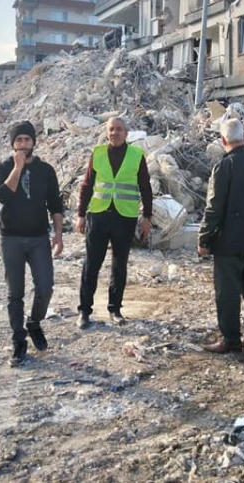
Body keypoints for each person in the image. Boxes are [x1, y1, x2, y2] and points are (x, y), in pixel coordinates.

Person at [0, 120, 64, 367]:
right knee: (16, 294)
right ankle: (19, 341)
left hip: (38, 238)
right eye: (19, 140)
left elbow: (55, 204)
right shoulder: (3, 168)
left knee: (45, 287)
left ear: (34, 142)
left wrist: (58, 234)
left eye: (27, 139)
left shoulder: (46, 171)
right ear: (12, 143)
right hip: (11, 238)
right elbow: (2, 196)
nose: (23, 144)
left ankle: (34, 323)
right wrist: (17, 168)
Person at [197, 118, 244, 353]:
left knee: (228, 293)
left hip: (229, 242)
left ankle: (230, 339)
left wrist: (204, 238)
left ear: (222, 140)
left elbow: (214, 207)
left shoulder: (223, 167)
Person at [75, 117, 152, 329]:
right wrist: (81, 214)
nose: (114, 133)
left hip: (124, 218)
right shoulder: (98, 153)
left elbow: (145, 188)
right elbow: (87, 185)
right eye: (111, 129)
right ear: (107, 132)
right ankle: (84, 311)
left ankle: (115, 309)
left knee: (119, 266)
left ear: (126, 133)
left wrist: (147, 217)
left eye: (119, 129)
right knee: (91, 264)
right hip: (98, 216)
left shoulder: (137, 156)